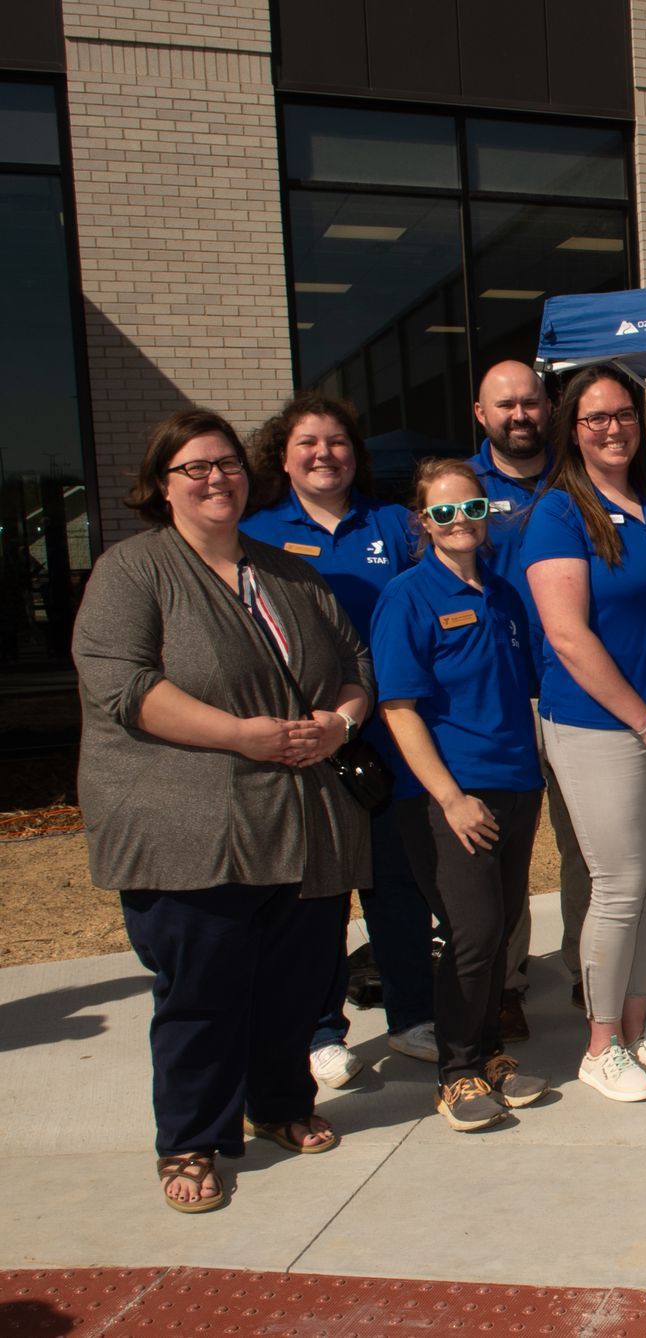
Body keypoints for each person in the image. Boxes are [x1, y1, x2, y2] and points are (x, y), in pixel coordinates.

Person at [74, 409, 372, 1212]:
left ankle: (277, 1104)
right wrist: (242, 736)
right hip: (192, 827)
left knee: (295, 981)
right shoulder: (133, 571)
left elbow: (355, 664)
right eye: (195, 467)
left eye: (228, 464)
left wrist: (338, 722)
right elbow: (123, 686)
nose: (216, 479)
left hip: (302, 823)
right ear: (160, 485)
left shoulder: (291, 572)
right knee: (203, 993)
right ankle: (193, 1142)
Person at [524, 367, 646, 1104]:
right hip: (601, 727)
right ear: (573, 428)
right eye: (595, 417)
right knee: (621, 885)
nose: (611, 428)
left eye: (623, 414)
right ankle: (600, 1048)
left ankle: (635, 1031)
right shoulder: (560, 514)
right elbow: (567, 637)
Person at [241, 392, 436, 1085]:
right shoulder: (256, 531)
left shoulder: (397, 525)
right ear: (283, 457)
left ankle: (415, 1016)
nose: (325, 454)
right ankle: (321, 1029)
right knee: (317, 896)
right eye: (308, 443)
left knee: (398, 887)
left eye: (338, 442)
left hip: (389, 738)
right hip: (304, 744)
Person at [373, 458, 549, 1132]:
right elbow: (400, 707)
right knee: (472, 933)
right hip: (452, 794)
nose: (459, 522)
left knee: (499, 928)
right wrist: (450, 797)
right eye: (443, 512)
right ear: (423, 522)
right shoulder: (409, 595)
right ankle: (457, 1072)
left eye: (471, 510)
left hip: (516, 784)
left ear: (487, 515)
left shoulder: (503, 595)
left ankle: (490, 1052)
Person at [469, 360, 585, 1036]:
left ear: (551, 407)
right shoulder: (462, 491)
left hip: (574, 691)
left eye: (531, 403)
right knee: (504, 853)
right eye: (504, 405)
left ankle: (586, 967)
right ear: (480, 414)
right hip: (497, 699)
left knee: (584, 846)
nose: (520, 415)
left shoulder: (579, 480)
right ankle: (505, 980)